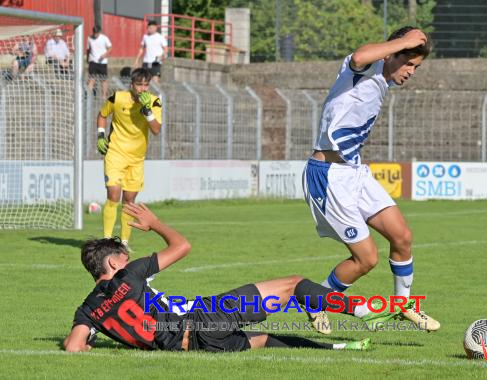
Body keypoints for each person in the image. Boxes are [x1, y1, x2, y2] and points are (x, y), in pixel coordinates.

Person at [63, 203, 372, 352]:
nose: (129, 258)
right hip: (204, 319)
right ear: (115, 262)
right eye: (125, 254)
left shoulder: (87, 309)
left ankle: (341, 350)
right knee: (293, 285)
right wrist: (156, 222)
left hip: (195, 349)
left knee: (263, 341)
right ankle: (365, 311)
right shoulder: (129, 275)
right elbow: (182, 246)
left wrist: (91, 343)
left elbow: (73, 347)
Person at [302, 26, 440, 334]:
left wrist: (406, 47)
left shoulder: (382, 80)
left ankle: (404, 306)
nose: (412, 72)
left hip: (355, 172)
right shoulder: (363, 70)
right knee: (366, 259)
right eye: (409, 63)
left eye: (416, 68)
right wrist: (404, 42)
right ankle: (317, 301)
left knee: (402, 237)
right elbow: (362, 54)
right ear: (394, 52)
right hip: (328, 176)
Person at [96, 68, 162, 247]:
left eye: (146, 85)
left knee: (129, 201)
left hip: (136, 159)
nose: (143, 88)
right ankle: (107, 240)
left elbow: (156, 130)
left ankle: (124, 242)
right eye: (139, 85)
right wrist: (101, 134)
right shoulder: (117, 98)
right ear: (131, 85)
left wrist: (147, 110)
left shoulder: (154, 102)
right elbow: (102, 115)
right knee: (113, 194)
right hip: (115, 153)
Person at [87, 26, 112, 98]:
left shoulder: (104, 38)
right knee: (92, 79)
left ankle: (104, 96)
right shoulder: (89, 38)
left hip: (102, 62)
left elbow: (110, 48)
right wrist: (88, 59)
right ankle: (89, 96)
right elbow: (88, 49)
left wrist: (105, 55)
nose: (95, 34)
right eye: (94, 32)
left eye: (97, 33)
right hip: (93, 61)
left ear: (99, 32)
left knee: (104, 80)